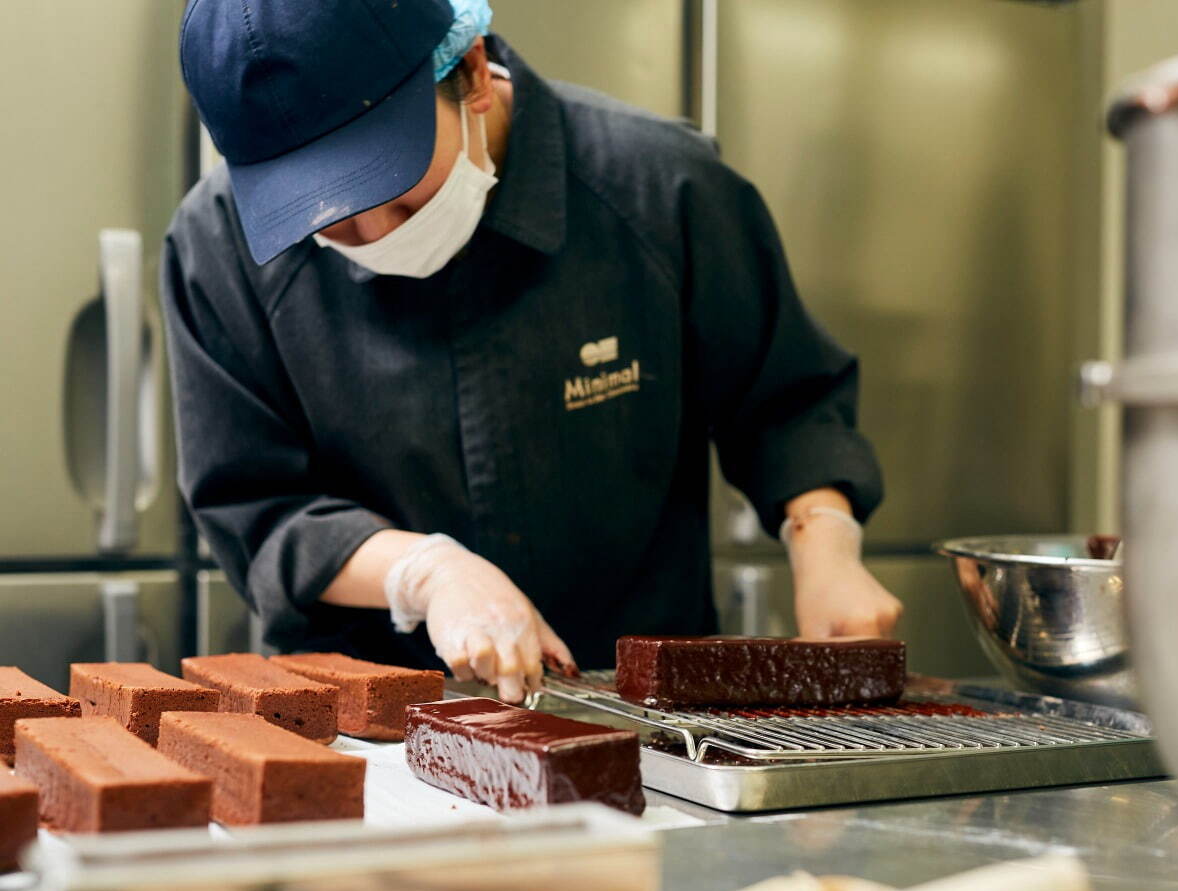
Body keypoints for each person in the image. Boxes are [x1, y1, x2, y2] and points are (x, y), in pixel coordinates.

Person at [163, 0, 901, 703]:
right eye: (328, 223)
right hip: (365, 730)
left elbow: (785, 401)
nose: (377, 233)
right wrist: (426, 572)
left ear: (473, 73)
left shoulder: (662, 188)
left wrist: (825, 547)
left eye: (399, 193)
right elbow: (255, 505)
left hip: (640, 716)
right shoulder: (217, 247)